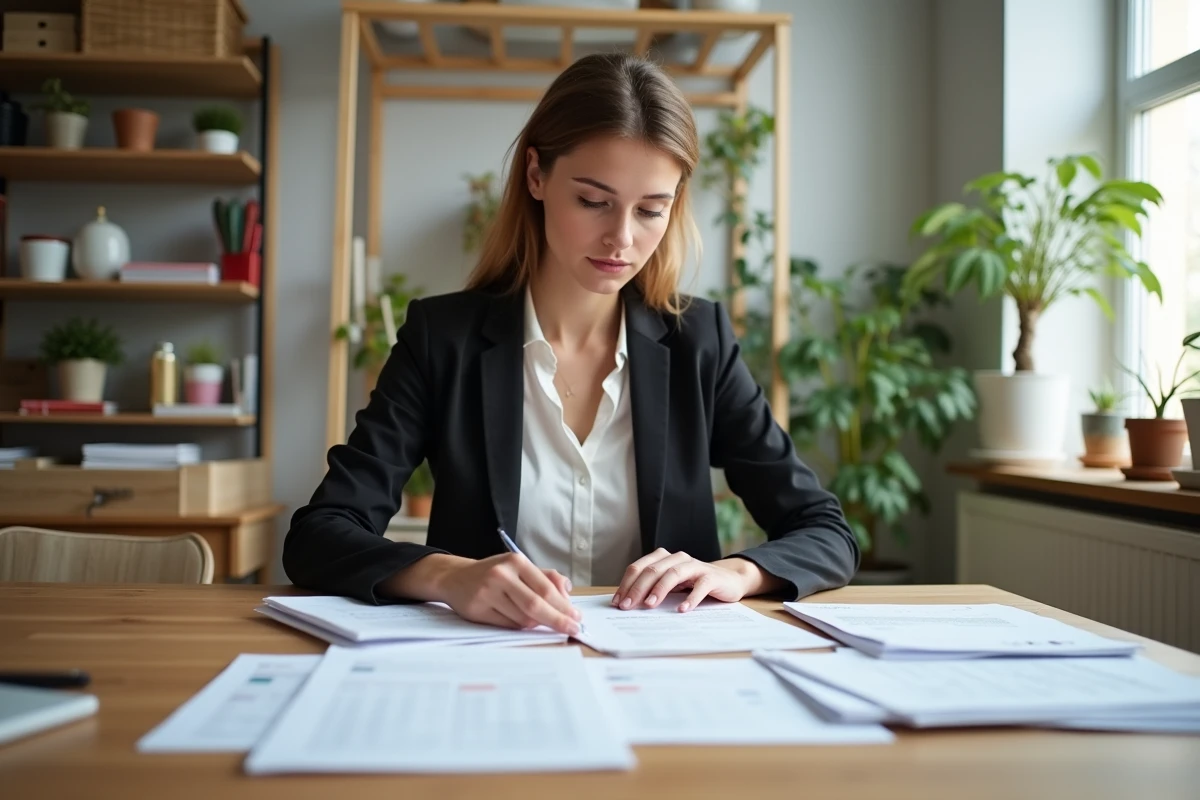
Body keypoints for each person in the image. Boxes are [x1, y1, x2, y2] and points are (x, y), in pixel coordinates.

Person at [284, 52, 858, 637]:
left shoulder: (699, 343)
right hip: (491, 664)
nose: (622, 238)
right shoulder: (443, 339)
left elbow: (825, 530)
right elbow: (320, 532)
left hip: (664, 673)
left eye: (651, 210)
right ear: (536, 175)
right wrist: (447, 576)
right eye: (592, 201)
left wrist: (740, 571)